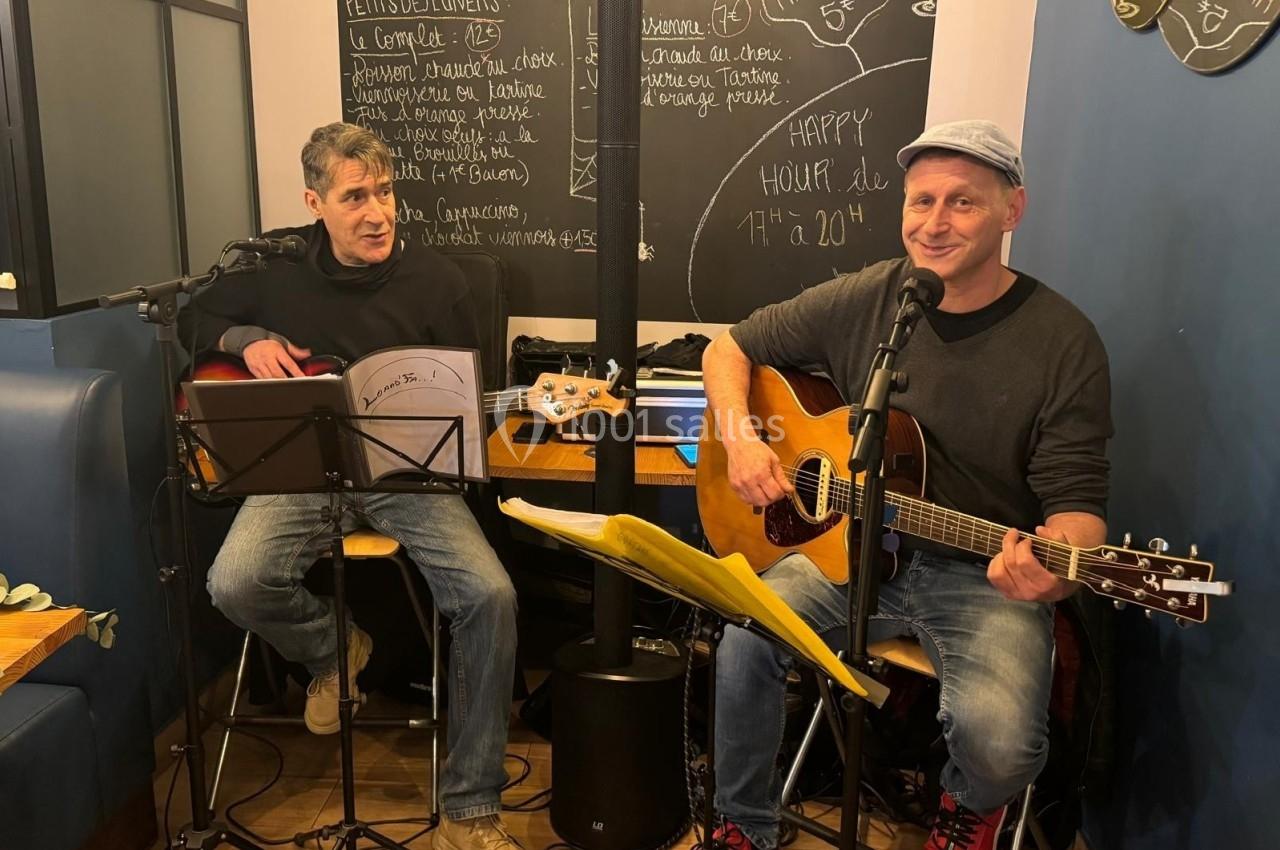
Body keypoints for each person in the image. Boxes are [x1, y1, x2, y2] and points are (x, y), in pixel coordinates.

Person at [701, 120, 1112, 850]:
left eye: (963, 203)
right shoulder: (876, 298)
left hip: (983, 576)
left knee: (1003, 744)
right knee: (743, 643)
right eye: (921, 201)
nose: (934, 222)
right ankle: (746, 824)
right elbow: (729, 346)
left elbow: (1078, 509)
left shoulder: (1064, 342)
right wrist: (739, 437)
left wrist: (1054, 570)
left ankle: (966, 811)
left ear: (1012, 210)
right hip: (848, 555)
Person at [178, 122, 524, 850]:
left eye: (387, 191)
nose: (379, 212)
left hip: (407, 474)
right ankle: (338, 653)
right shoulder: (274, 272)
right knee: (234, 582)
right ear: (316, 202)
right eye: (356, 196)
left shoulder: (440, 281)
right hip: (303, 468)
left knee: (489, 596)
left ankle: (471, 807)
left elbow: (471, 391)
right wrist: (249, 341)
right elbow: (194, 314)